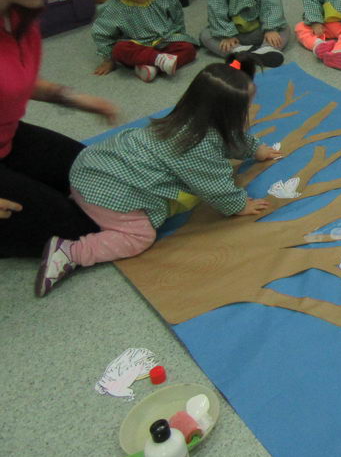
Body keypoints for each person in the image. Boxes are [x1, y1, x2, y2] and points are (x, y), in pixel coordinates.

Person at [36, 57, 281, 296]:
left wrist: (254, 149)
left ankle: (78, 204)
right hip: (107, 190)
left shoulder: (190, 118)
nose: (250, 110)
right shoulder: (197, 146)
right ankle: (70, 252)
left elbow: (230, 138)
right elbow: (214, 185)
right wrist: (238, 205)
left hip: (93, 165)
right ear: (226, 113)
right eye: (246, 107)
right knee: (140, 237)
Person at [0, 0, 118, 258]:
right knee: (78, 229)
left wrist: (74, 98)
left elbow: (9, 82)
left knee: (103, 184)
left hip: (8, 138)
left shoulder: (20, 10)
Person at [91, 0, 198, 82]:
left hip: (165, 40)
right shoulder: (115, 8)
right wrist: (108, 59)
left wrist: (179, 34)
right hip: (138, 45)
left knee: (189, 50)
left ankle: (153, 68)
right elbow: (101, 34)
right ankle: (157, 60)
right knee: (119, 50)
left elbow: (177, 15)